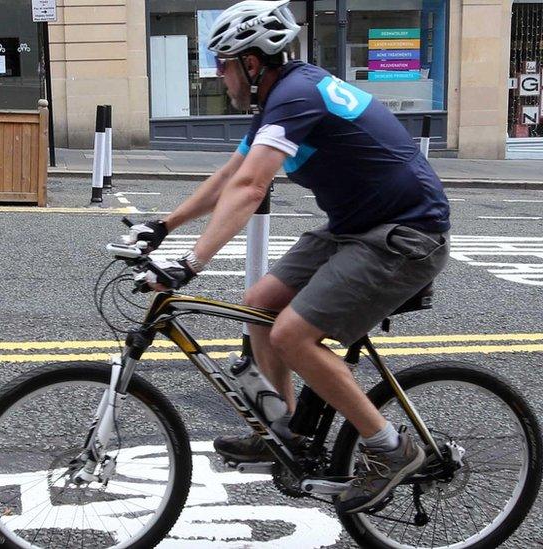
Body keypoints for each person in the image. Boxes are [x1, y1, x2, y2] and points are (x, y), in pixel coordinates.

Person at [124, 0, 450, 515]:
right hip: (356, 229)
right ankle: (290, 433)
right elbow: (233, 175)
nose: (219, 77)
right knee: (260, 305)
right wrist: (164, 226)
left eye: (224, 65)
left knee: (290, 334)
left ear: (252, 65)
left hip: (405, 236)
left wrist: (190, 263)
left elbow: (253, 187)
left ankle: (390, 449)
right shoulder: (281, 100)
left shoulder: (297, 95)